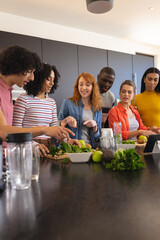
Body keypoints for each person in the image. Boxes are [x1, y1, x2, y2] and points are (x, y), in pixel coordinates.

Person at [0, 45, 80, 154]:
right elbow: (3, 131)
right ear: (17, 67)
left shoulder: (7, 91)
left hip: (9, 158)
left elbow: (54, 128)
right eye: (30, 71)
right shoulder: (20, 98)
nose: (32, 78)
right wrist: (43, 131)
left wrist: (67, 141)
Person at [13, 63, 60, 149]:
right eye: (49, 79)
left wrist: (67, 141)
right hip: (29, 147)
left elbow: (55, 128)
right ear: (39, 79)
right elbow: (16, 131)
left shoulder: (51, 102)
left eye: (53, 80)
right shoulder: (23, 100)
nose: (52, 83)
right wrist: (34, 145)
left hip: (50, 146)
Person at [58, 72, 102, 149]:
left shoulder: (97, 108)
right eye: (81, 84)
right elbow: (56, 127)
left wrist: (95, 127)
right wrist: (66, 120)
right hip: (71, 148)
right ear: (77, 86)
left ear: (93, 87)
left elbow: (98, 138)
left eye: (87, 85)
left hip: (90, 149)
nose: (83, 88)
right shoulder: (68, 103)